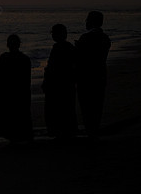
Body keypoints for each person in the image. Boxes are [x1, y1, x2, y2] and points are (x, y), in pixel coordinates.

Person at [0, 34, 33, 144]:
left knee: (9, 115)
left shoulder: (5, 57)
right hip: (18, 91)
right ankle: (18, 137)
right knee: (18, 115)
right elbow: (26, 79)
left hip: (8, 91)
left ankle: (14, 138)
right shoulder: (24, 59)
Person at [75, 11, 111, 141]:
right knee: (97, 104)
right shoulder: (105, 38)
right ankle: (94, 130)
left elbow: (81, 58)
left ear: (90, 22)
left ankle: (91, 131)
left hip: (86, 76)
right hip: (100, 74)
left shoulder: (85, 38)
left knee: (87, 106)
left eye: (87, 20)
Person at [42, 24, 77, 141]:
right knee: (67, 108)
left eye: (53, 33)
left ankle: (60, 132)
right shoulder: (69, 47)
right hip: (66, 83)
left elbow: (53, 67)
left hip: (58, 84)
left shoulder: (59, 48)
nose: (52, 35)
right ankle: (66, 131)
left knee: (57, 108)